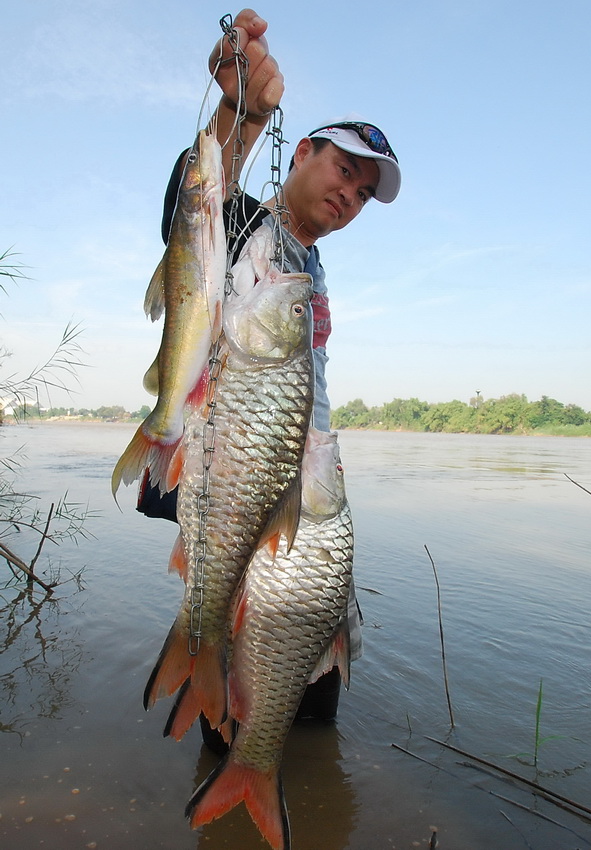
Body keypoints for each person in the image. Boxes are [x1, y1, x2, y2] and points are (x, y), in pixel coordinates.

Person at [138, 8, 401, 741]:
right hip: (242, 486)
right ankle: (232, 770)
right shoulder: (250, 230)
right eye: (344, 169)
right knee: (238, 697)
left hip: (307, 500)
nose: (349, 195)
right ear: (303, 153)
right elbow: (193, 212)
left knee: (312, 694)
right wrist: (239, 113)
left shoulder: (311, 266)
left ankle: (293, 788)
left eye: (361, 193)